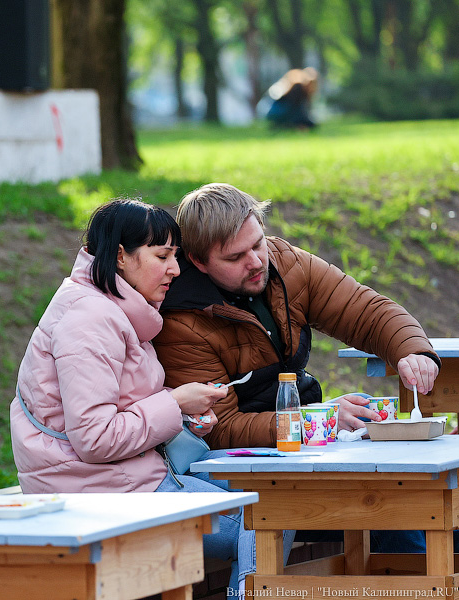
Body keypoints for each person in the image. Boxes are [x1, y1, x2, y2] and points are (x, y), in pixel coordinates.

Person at [9, 198, 280, 593]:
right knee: (268, 518)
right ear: (121, 256)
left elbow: (119, 408)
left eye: (175, 256)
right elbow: (94, 437)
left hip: (119, 480)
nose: (175, 268)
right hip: (97, 492)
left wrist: (183, 414)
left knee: (276, 500)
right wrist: (174, 404)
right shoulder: (89, 319)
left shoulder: (116, 307)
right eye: (163, 256)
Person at [154, 182, 440, 552]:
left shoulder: (286, 262)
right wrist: (317, 419)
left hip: (300, 443)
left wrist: (412, 350)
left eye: (258, 244)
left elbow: (365, 311)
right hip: (240, 465)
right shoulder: (181, 320)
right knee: (388, 499)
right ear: (198, 261)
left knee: (411, 485)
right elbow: (219, 430)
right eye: (235, 257)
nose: (256, 261)